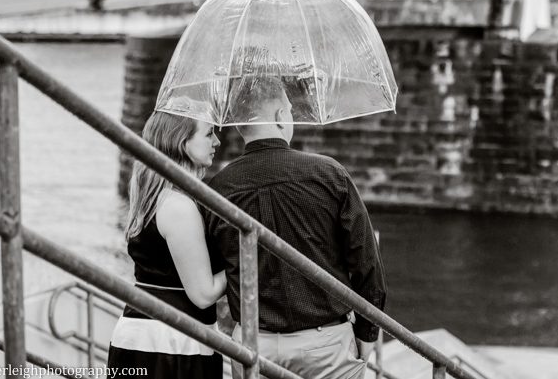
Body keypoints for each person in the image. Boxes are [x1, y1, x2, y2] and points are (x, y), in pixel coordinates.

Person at [203, 76, 387, 379]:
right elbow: (367, 263)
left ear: (239, 126)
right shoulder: (329, 174)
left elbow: (215, 265)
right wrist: (367, 335)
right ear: (280, 116)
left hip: (253, 344)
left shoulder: (217, 189)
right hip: (325, 343)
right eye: (288, 110)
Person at [108, 108, 226, 378]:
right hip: (172, 343)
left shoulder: (155, 197)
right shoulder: (178, 207)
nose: (217, 142)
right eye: (209, 134)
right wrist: (246, 263)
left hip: (146, 336)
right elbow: (203, 294)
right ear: (182, 143)